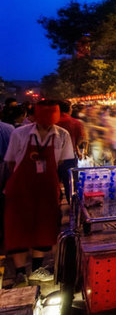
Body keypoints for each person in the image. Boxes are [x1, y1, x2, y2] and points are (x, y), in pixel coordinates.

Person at [3, 100, 74, 285]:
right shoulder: (20, 133)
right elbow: (11, 162)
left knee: (44, 226)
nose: (47, 125)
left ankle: (36, 268)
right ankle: (19, 271)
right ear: (34, 117)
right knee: (18, 227)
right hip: (21, 188)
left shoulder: (62, 135)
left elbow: (64, 164)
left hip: (47, 188)